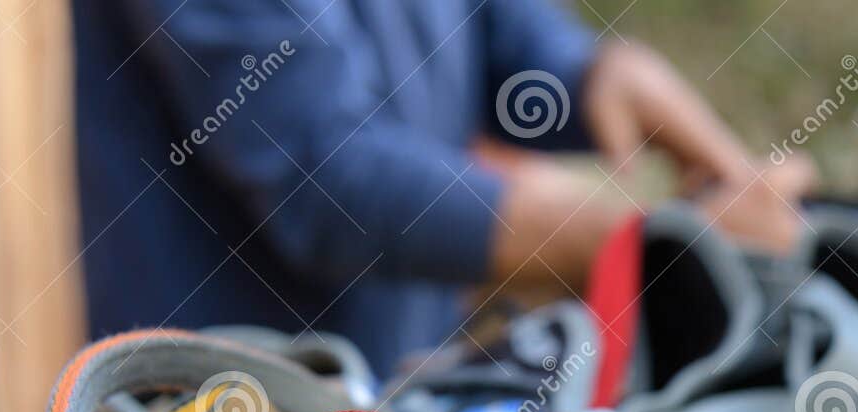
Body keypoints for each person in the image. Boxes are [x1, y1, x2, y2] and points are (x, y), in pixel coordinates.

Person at [71, 1, 812, 374]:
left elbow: (505, 42)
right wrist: (657, 244)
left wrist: (597, 78)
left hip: (384, 406)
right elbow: (327, 180)